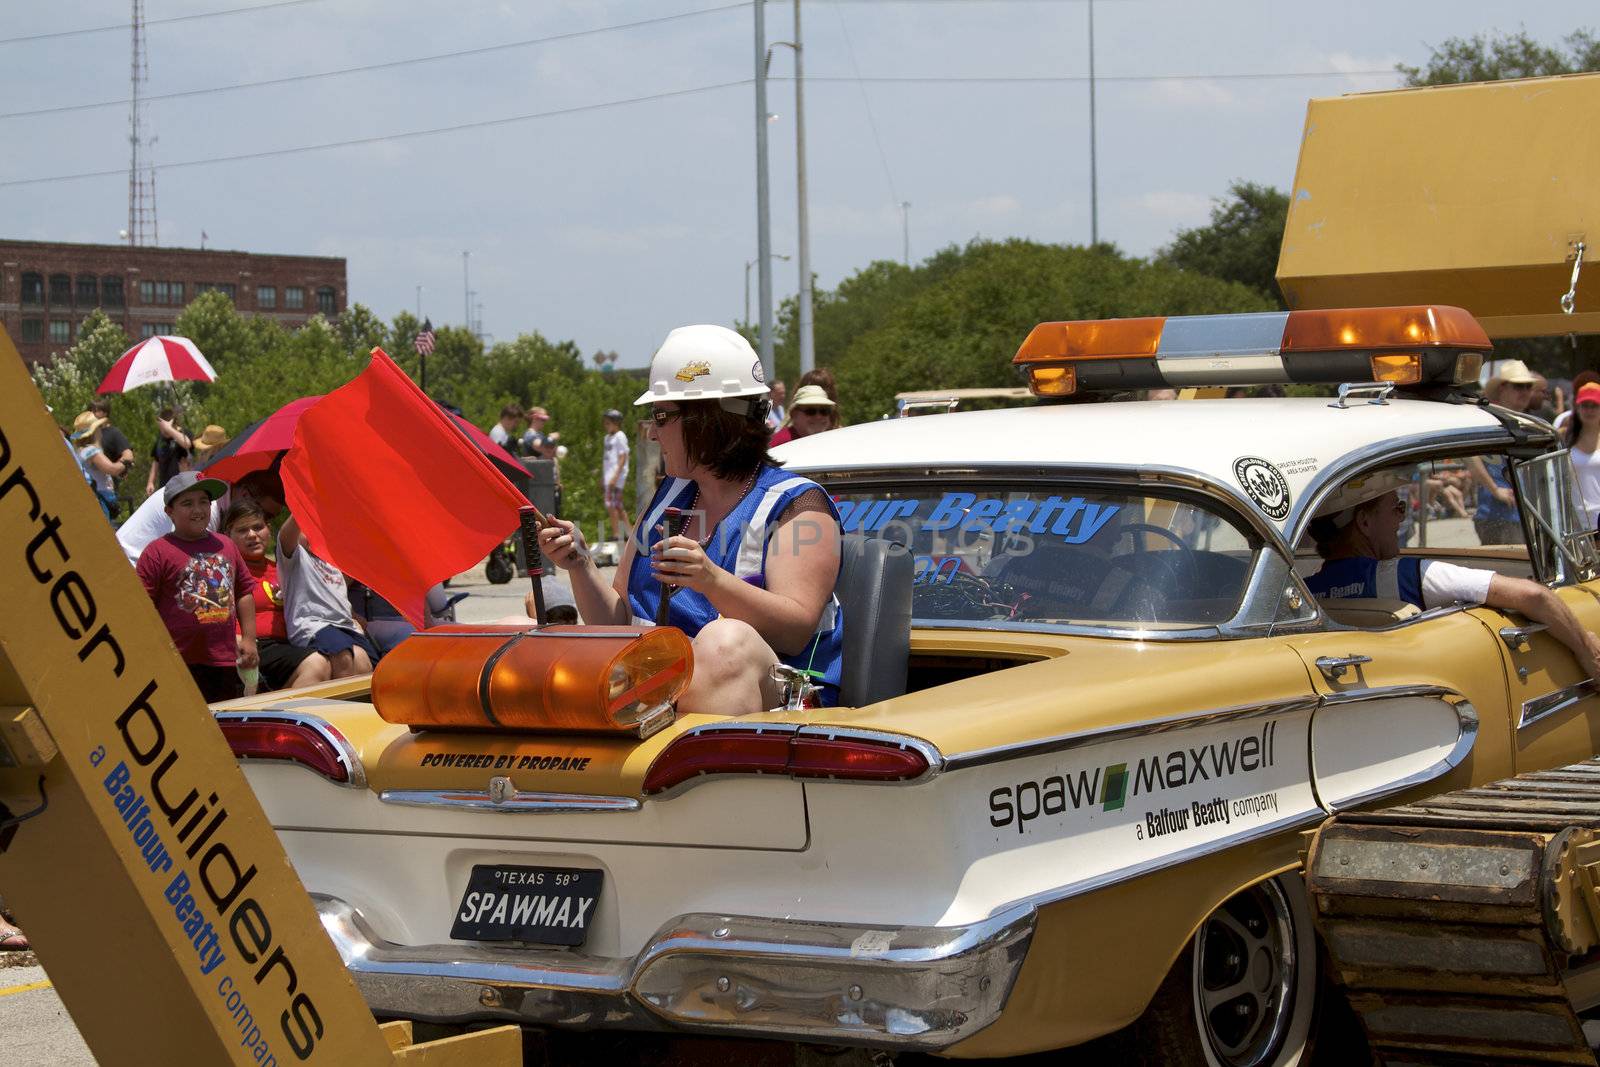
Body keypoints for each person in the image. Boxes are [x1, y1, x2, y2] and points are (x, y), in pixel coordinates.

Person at [538, 324, 845, 714]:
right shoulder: (669, 497)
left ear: (708, 420)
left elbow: (796, 629)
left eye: (661, 416)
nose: (653, 433)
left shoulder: (800, 506)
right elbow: (619, 621)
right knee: (520, 630)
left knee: (725, 642)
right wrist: (579, 564)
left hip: (787, 713)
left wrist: (710, 579)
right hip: (663, 692)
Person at [1304, 471, 1600, 680]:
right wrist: (1587, 650)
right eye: (1396, 507)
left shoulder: (1304, 594)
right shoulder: (1410, 576)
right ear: (1365, 522)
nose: (1401, 517)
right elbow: (1533, 595)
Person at [136, 472, 259, 703]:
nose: (198, 509)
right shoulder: (157, 552)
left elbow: (244, 592)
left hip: (222, 659)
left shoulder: (227, 545)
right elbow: (142, 607)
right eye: (187, 503)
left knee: (223, 721)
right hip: (177, 661)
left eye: (204, 501)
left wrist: (250, 640)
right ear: (169, 512)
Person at [223, 501, 332, 692]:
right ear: (228, 537)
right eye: (242, 530)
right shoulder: (225, 572)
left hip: (287, 645)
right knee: (316, 664)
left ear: (269, 530)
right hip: (246, 646)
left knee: (337, 658)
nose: (252, 535)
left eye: (258, 527)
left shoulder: (283, 569)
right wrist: (236, 639)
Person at [277, 513, 379, 679]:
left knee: (365, 664)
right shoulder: (295, 557)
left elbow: (336, 597)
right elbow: (285, 534)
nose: (314, 535)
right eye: (307, 530)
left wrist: (353, 615)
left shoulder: (334, 563)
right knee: (344, 658)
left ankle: (356, 705)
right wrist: (301, 503)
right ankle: (340, 705)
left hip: (346, 627)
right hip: (315, 625)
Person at [118, 467, 286, 564]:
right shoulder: (207, 509)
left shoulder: (213, 502)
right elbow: (193, 566)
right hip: (129, 568)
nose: (263, 521)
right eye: (266, 514)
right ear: (245, 495)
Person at [71, 411, 130, 522]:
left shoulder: (80, 451)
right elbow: (112, 469)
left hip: (95, 497)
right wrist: (126, 462)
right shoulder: (91, 451)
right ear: (94, 432)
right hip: (101, 498)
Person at [1567, 382, 1600, 530]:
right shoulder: (1565, 438)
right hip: (1576, 521)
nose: (1589, 410)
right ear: (1577, 408)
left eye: (1595, 405)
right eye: (1585, 405)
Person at [769, 383, 840, 446]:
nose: (818, 416)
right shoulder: (780, 445)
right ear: (794, 414)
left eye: (824, 411)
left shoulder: (833, 442)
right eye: (810, 411)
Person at [146, 405, 193, 497]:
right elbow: (156, 461)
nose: (163, 431)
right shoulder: (160, 439)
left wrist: (169, 429)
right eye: (161, 428)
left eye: (164, 428)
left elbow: (187, 444)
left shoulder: (184, 434)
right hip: (165, 488)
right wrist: (150, 482)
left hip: (183, 487)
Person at [601, 408, 631, 542]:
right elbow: (607, 459)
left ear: (616, 423)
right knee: (615, 505)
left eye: (609, 422)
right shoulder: (607, 438)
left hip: (617, 477)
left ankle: (617, 534)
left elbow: (623, 457)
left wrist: (615, 476)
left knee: (613, 505)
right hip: (609, 476)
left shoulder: (620, 436)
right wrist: (604, 477)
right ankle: (627, 532)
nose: (606, 425)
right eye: (605, 423)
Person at [90, 399, 135, 483]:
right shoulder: (88, 434)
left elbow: (128, 455)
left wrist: (114, 468)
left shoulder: (113, 432)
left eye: (97, 411)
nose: (93, 414)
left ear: (105, 413)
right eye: (92, 411)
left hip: (106, 486)